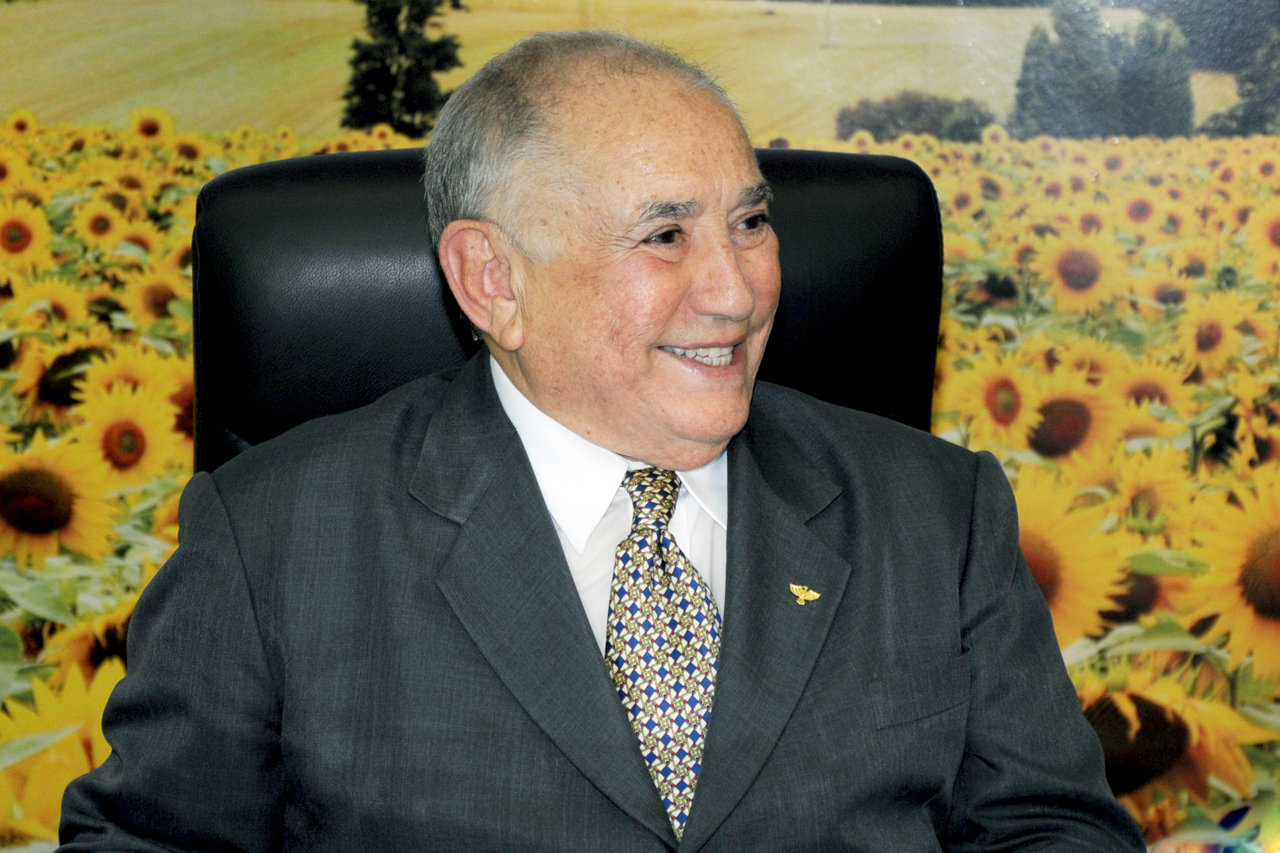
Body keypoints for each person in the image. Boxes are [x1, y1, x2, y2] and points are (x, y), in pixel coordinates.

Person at [59, 31, 1145, 852]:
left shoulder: (935, 512)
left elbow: (1051, 829)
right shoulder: (276, 538)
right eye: (665, 234)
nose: (736, 290)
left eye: (750, 222)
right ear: (492, 280)